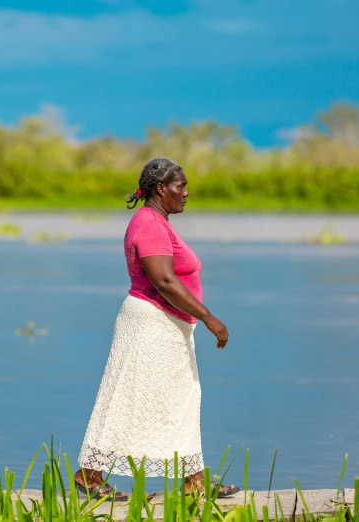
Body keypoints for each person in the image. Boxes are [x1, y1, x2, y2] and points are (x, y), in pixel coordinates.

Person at [74, 157, 240, 501]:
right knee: (129, 398)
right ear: (160, 189)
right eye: (180, 186)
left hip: (167, 324)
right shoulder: (149, 224)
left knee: (181, 398)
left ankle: (193, 481)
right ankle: (88, 475)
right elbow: (164, 280)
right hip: (151, 323)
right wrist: (209, 317)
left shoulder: (156, 221)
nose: (186, 193)